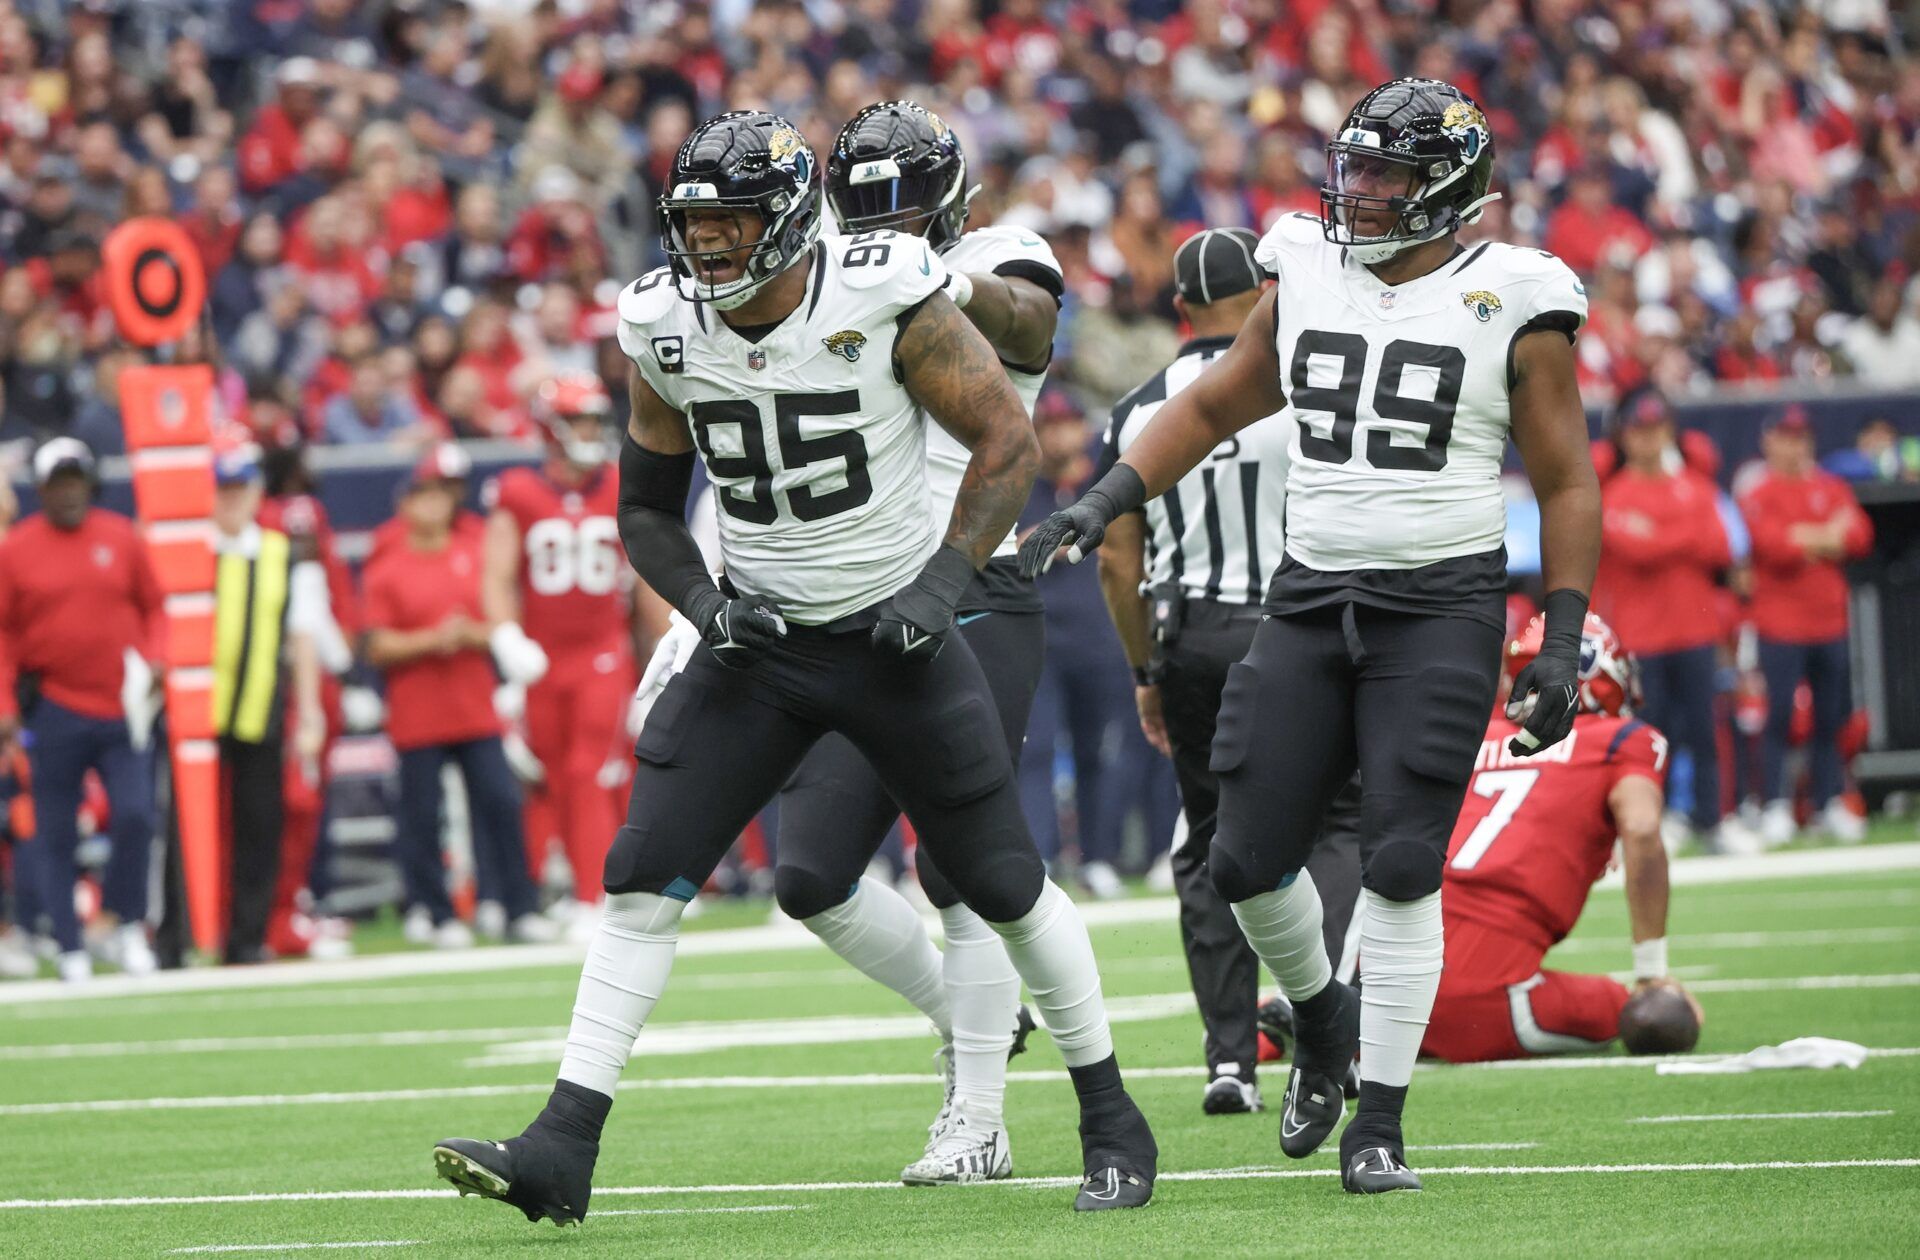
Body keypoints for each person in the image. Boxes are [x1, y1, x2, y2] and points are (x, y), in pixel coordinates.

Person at [434, 110, 1157, 1224]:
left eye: (729, 226)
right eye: (695, 226)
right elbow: (648, 509)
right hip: (769, 642)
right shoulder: (664, 321)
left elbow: (1011, 438)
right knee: (648, 872)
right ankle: (562, 1143)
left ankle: (1109, 1113)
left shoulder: (894, 286)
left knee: (999, 881)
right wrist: (703, 610)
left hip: (904, 629)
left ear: (785, 221)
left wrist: (938, 586)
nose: (708, 249)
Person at [1019, 79, 1601, 1193]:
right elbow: (1217, 401)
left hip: (1440, 601)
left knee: (1399, 862)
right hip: (1309, 593)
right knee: (1240, 855)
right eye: (1358, 168)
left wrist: (1562, 635)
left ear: (1451, 189)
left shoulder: (1518, 299)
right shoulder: (1307, 265)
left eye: (1388, 175)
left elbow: (1567, 482)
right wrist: (1106, 497)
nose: (1362, 193)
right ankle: (1325, 1022)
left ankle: (1378, 1118)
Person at [759, 100, 1062, 1185]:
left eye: (903, 207)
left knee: (958, 867)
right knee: (808, 875)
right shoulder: (823, 276)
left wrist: (924, 275)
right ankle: (972, 1017)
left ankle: (976, 1117)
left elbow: (1028, 324)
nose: (881, 222)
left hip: (978, 587)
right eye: (865, 208)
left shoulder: (992, 253)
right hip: (860, 597)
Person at [1095, 227, 1364, 1116]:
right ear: (1263, 294)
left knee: (1212, 839)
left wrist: (1144, 668)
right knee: (1327, 822)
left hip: (1193, 638)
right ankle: (1310, 1002)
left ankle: (1227, 1054)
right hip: (1296, 623)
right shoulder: (1303, 385)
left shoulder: (1139, 408)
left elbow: (1116, 562)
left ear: (1178, 309)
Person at [1422, 611, 1699, 1062]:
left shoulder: (1473, 737)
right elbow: (1644, 829)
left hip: (1386, 985)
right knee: (1656, 1014)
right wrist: (1651, 977)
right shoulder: (1619, 739)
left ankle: (1298, 1014)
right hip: (1488, 1001)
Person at [362, 451, 553, 950]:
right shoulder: (388, 564)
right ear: (405, 504)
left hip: (473, 704)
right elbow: (376, 644)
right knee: (422, 818)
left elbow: (502, 618)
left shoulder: (475, 550)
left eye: (441, 495)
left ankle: (519, 904)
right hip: (418, 711)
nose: (434, 505)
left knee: (501, 803)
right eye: (423, 495)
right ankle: (436, 910)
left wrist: (473, 634)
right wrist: (432, 640)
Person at [0, 438, 166, 983]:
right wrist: (5, 704)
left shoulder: (121, 538)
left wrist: (159, 659)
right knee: (53, 831)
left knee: (137, 814)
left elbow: (156, 606)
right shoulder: (16, 550)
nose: (69, 491)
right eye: (59, 482)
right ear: (42, 489)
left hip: (122, 705)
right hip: (52, 705)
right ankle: (69, 944)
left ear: (90, 484)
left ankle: (123, 924)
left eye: (77, 480)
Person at [483, 374, 644, 936]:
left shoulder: (618, 484)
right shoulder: (519, 492)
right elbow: (497, 575)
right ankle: (564, 887)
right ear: (550, 427)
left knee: (587, 771)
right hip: (543, 657)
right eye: (579, 421)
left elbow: (646, 575)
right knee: (551, 774)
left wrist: (660, 658)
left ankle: (594, 896)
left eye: (594, 421)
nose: (591, 432)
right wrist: (505, 635)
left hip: (602, 652)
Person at [1592, 387, 1742, 851]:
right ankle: (1654, 818)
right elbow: (1637, 548)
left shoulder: (1695, 486)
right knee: (1650, 735)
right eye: (1639, 429)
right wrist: (1681, 535)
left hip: (1695, 631)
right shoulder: (1615, 492)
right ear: (1625, 435)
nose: (1649, 439)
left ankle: (1711, 821)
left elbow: (1720, 546)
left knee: (1705, 729)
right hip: (1643, 637)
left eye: (1656, 429)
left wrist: (1663, 536)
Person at [207, 446, 327, 965]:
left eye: (240, 490)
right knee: (193, 828)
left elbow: (302, 636)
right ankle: (185, 932)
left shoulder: (281, 551)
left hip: (260, 706)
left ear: (257, 492)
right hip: (197, 715)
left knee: (259, 827)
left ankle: (247, 936)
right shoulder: (193, 550)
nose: (232, 501)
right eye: (223, 490)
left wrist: (312, 710)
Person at [1738, 408, 1873, 845]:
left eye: (1801, 438)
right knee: (1777, 716)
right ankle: (1775, 804)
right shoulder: (1759, 492)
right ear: (1769, 441)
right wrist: (1824, 536)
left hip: (1828, 620)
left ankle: (1828, 800)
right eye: (1786, 437)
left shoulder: (1831, 487)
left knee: (1832, 716)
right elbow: (1771, 545)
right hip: (1779, 623)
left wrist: (1804, 537)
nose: (1795, 446)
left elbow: (1859, 536)